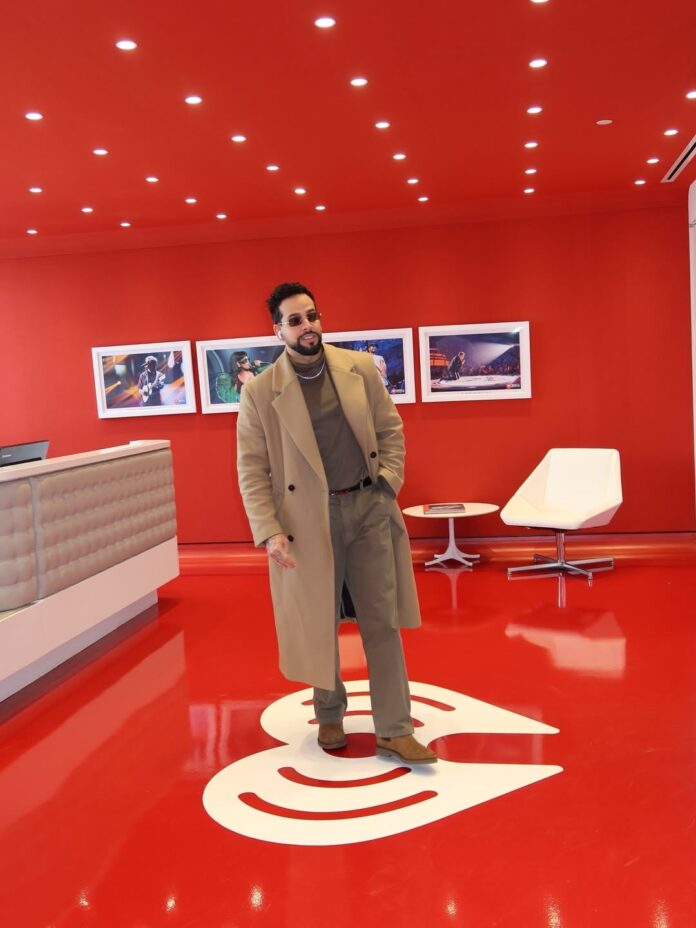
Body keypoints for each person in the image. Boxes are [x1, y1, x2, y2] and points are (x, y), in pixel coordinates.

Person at [236, 282, 437, 764]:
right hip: (307, 520)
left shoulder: (359, 368)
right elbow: (252, 469)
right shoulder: (260, 392)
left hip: (368, 509)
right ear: (278, 330)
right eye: (296, 320)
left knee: (381, 621)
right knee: (318, 620)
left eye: (312, 315)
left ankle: (395, 728)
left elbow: (390, 429)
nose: (308, 326)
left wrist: (387, 483)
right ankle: (329, 714)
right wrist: (270, 530)